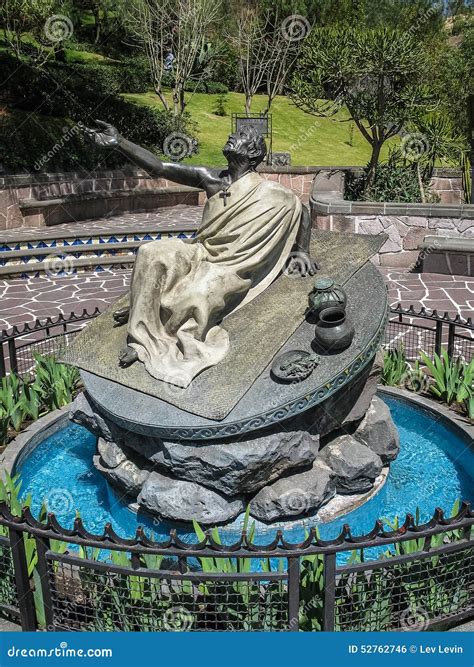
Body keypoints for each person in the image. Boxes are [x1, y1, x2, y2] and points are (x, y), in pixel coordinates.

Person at [85, 121, 318, 387]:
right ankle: (143, 338)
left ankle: (150, 345)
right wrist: (120, 142)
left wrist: (301, 250)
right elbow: (159, 167)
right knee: (152, 252)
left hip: (230, 265)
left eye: (241, 135)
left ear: (253, 153)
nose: (232, 135)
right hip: (201, 250)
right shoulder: (212, 178)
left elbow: (302, 210)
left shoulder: (270, 193)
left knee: (197, 292)